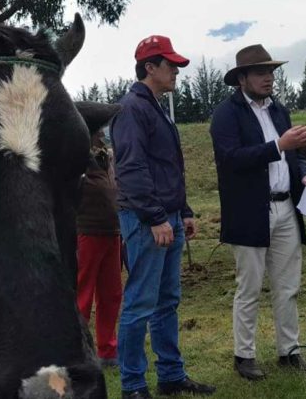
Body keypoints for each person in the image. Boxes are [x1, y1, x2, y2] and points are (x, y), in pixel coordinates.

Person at [110, 35, 216, 399]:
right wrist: (157, 217)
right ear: (149, 68)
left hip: (165, 216)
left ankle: (171, 375)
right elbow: (131, 169)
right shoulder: (131, 109)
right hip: (145, 220)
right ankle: (133, 385)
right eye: (170, 65)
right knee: (140, 302)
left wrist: (182, 212)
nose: (176, 71)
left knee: (167, 300)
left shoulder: (155, 108)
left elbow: (169, 169)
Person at [209, 44, 306, 381]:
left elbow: (294, 153)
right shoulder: (226, 114)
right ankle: (245, 355)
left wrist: (304, 169)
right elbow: (230, 159)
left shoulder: (279, 110)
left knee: (287, 285)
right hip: (250, 210)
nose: (269, 78)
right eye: (260, 72)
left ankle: (289, 351)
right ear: (242, 78)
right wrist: (277, 147)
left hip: (286, 207)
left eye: (271, 72)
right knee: (250, 285)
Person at [75, 129, 122, 368]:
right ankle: (79, 352)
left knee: (111, 294)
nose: (102, 132)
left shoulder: (105, 154)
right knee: (83, 294)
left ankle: (107, 350)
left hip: (112, 230)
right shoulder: (74, 152)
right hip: (87, 231)